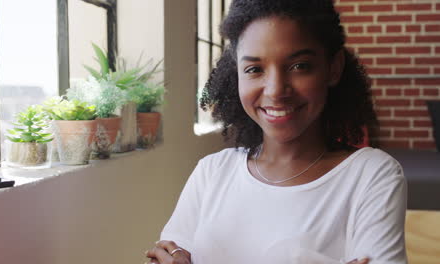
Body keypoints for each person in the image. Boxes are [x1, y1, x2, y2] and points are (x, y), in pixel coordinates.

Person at [145, 0, 407, 263]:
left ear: (333, 68)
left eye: (299, 66)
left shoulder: (371, 175)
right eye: (254, 69)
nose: (275, 90)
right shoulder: (212, 172)